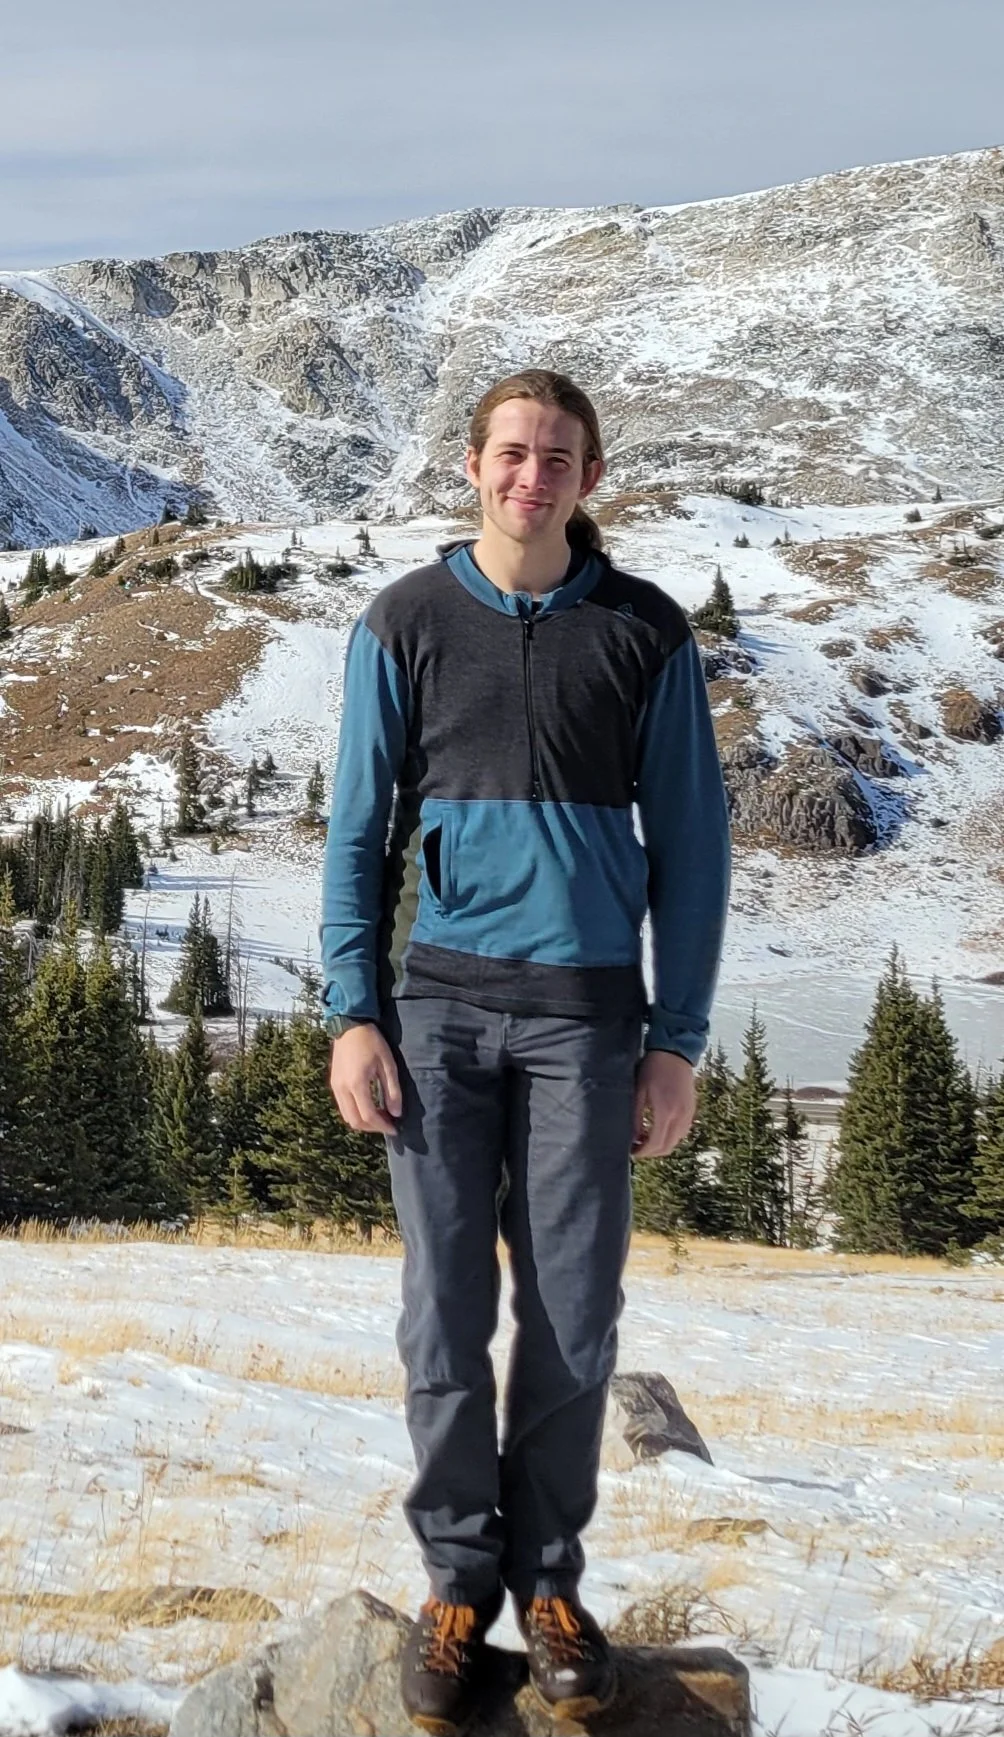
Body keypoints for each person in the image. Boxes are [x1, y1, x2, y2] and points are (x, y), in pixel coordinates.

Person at [320, 369, 730, 1734]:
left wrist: (674, 1043)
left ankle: (548, 1586)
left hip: (588, 1021)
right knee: (442, 1313)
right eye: (511, 452)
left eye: (557, 456)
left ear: (588, 476)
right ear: (473, 466)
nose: (531, 475)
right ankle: (455, 1582)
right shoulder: (406, 622)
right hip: (438, 1015)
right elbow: (356, 839)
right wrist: (353, 1012)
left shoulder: (645, 633)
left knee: (572, 1319)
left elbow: (693, 849)